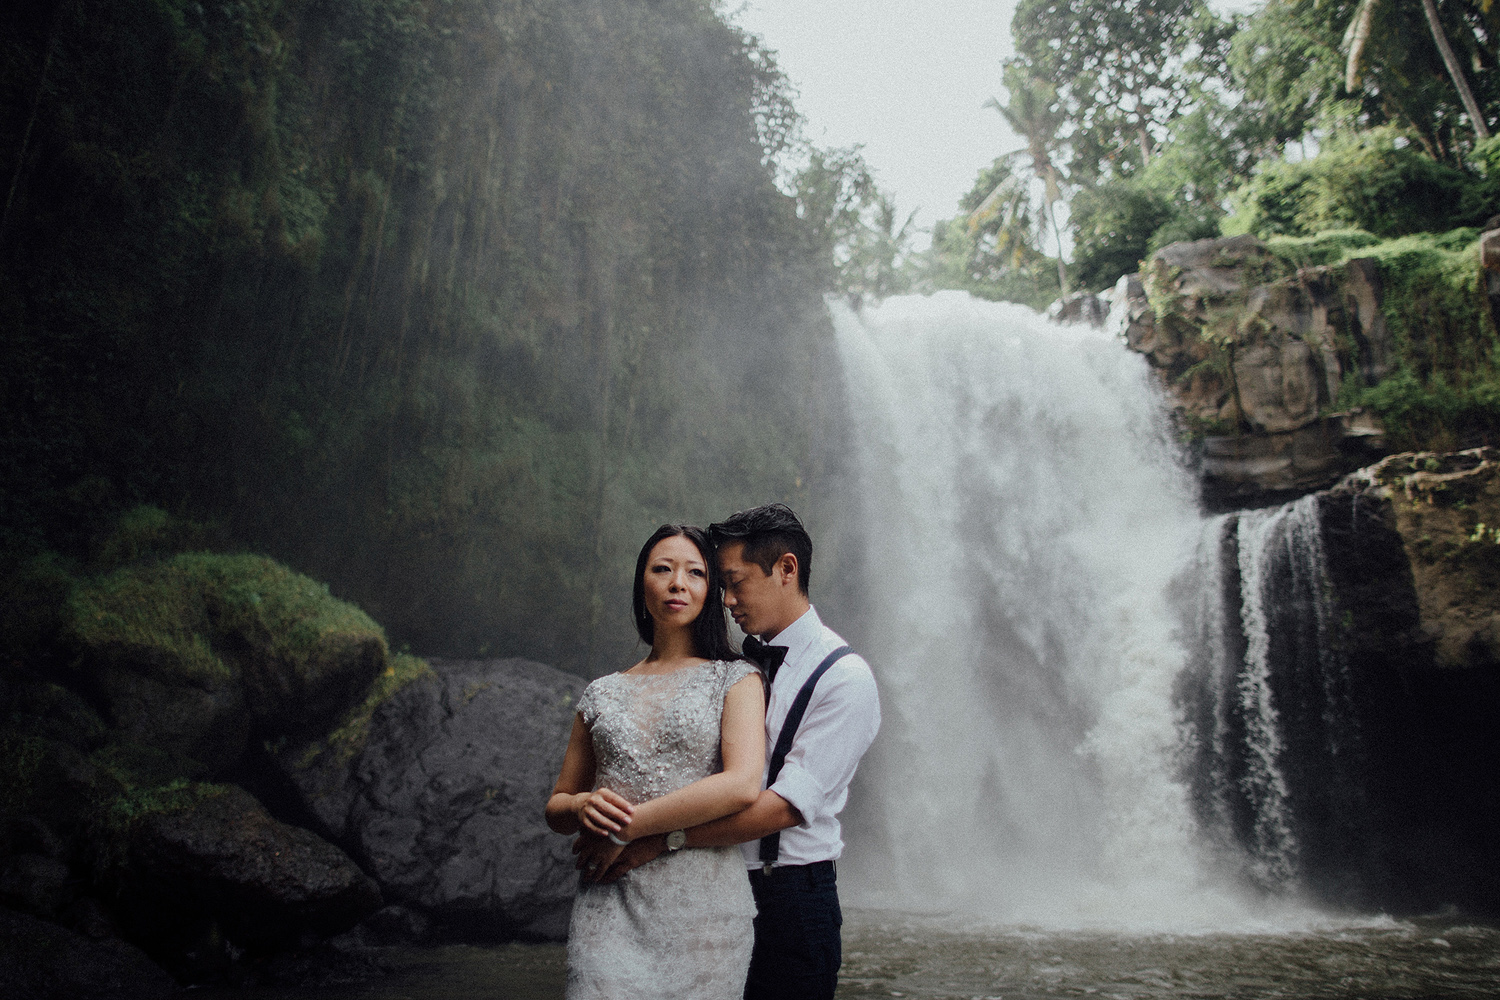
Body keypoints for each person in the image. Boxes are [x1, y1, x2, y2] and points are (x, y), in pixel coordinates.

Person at [583, 503, 881, 1000]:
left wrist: (654, 839)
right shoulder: (728, 670)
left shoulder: (844, 679)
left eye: (735, 582)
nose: (724, 600)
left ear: (786, 569)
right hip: (704, 889)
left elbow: (782, 807)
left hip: (787, 896)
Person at [546, 524, 767, 1000]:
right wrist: (581, 805)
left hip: (704, 911)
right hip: (608, 902)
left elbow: (742, 785)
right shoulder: (602, 691)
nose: (677, 583)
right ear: (641, 583)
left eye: (695, 573)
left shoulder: (736, 679)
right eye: (661, 569)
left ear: (710, 592)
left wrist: (627, 828)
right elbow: (557, 806)